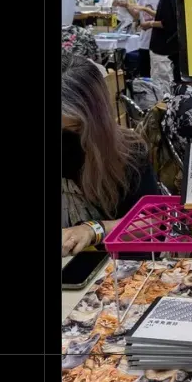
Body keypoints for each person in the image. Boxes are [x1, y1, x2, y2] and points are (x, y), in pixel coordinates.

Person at [61, 57, 159, 255]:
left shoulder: (127, 152)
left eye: (75, 127)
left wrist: (94, 230)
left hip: (112, 265)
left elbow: (153, 223)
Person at [142, 0, 181, 88]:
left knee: (162, 87)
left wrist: (150, 24)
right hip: (161, 51)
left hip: (163, 52)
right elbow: (164, 16)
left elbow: (169, 23)